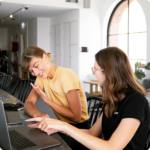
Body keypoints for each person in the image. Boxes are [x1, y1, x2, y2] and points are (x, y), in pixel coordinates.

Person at [26, 47, 150, 150]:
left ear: (108, 71)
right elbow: (92, 133)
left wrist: (64, 126)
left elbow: (112, 148)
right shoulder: (113, 99)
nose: (94, 73)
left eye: (95, 69)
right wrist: (58, 128)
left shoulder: (136, 101)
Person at [21, 46, 90, 130]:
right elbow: (28, 103)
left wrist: (47, 101)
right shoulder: (41, 78)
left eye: (36, 66)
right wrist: (40, 116)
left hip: (80, 128)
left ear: (45, 57)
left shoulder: (66, 75)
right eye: (31, 71)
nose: (35, 73)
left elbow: (76, 117)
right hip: (62, 125)